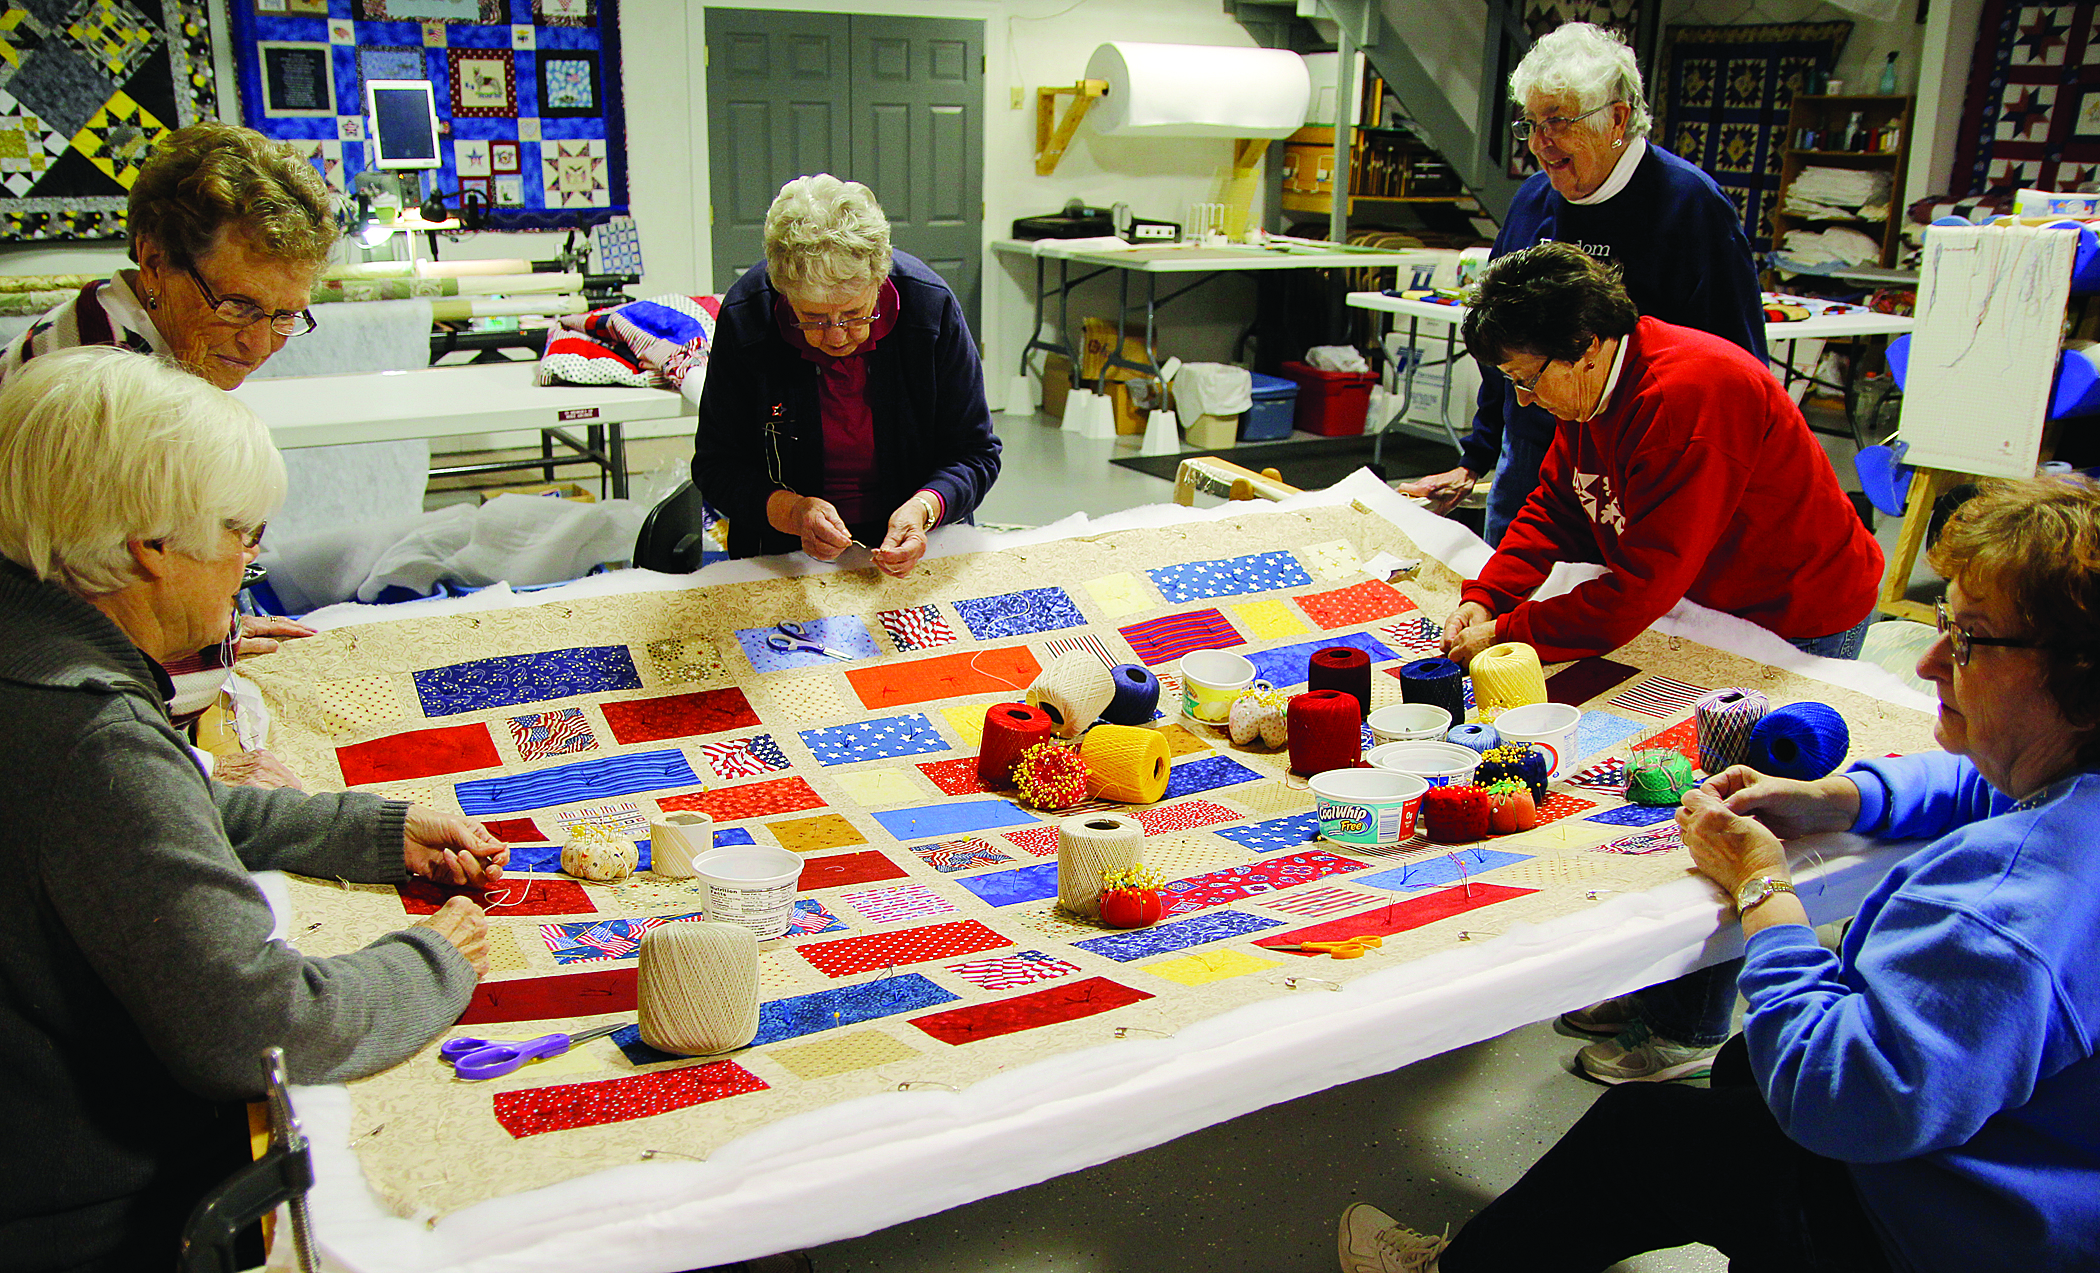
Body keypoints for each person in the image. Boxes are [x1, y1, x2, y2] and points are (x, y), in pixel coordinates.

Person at [1339, 474, 2100, 1273]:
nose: (1932, 661)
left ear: (2081, 681)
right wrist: (1835, 797)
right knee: (1742, 1068)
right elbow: (1987, 783)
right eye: (1944, 621)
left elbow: (1837, 1097)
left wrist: (1764, 885)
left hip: (1966, 1228)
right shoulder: (2068, 780)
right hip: (2049, 1165)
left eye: (1972, 637)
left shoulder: (2012, 911)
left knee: (1639, 1137)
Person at [0, 346, 507, 1269]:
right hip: (95, 1223)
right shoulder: (88, 735)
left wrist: (373, 831)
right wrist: (432, 961)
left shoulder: (31, 656)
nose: (252, 558)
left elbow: (160, 813)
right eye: (239, 531)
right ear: (149, 546)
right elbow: (255, 1027)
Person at [1442, 242, 1882, 1082]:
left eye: (1529, 379)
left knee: (1732, 806)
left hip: (1795, 609)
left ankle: (1693, 1022)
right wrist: (1491, 592)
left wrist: (1520, 631)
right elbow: (1558, 500)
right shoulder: (1591, 392)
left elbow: (1641, 584)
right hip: (1716, 606)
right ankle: (1656, 984)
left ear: (1589, 346)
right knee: (1670, 794)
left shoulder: (1690, 394)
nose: (1523, 397)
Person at [0, 121, 339, 777]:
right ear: (153, 259)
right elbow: (68, 669)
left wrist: (214, 623)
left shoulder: (121, 328)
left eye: (286, 315)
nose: (261, 343)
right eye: (240, 304)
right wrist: (199, 774)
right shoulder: (103, 395)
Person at [1397, 23, 1764, 547]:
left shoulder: (1692, 209)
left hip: (1636, 469)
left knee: (1617, 613)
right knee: (1506, 603)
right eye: (1531, 124)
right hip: (1532, 458)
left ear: (1617, 118)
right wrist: (1477, 455)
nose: (1541, 144)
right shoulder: (1532, 202)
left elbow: (1740, 371)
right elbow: (1502, 346)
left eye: (1559, 122)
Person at [694, 174, 1001, 577]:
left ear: (879, 280)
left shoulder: (930, 308)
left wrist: (924, 508)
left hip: (917, 543)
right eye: (813, 319)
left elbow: (975, 453)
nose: (837, 335)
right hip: (786, 554)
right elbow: (717, 466)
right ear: (783, 292)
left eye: (856, 314)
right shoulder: (747, 318)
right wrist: (792, 512)